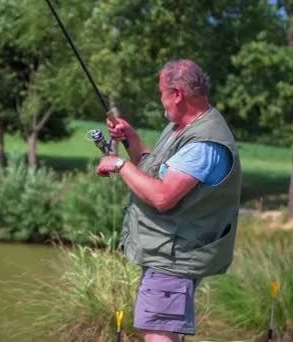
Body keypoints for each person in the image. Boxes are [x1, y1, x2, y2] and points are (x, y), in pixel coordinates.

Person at [96, 59, 241, 342]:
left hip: (175, 257)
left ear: (176, 94)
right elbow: (155, 169)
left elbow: (162, 197)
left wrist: (118, 165)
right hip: (168, 253)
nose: (160, 99)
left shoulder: (203, 145)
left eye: (161, 91)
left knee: (158, 335)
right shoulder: (184, 127)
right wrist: (131, 139)